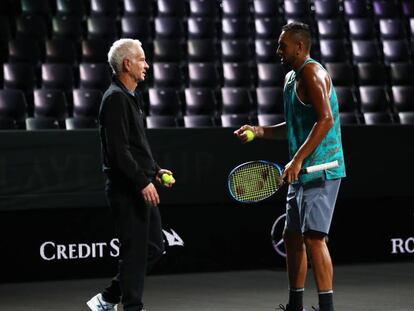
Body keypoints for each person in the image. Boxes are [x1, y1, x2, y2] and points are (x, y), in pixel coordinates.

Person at [234, 22, 345, 311]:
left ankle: (327, 307)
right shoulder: (289, 80)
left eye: (282, 45)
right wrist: (259, 131)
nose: (277, 50)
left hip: (322, 169)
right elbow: (295, 127)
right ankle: (295, 304)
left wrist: (297, 160)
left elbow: (325, 120)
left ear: (299, 46)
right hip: (299, 172)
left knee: (314, 237)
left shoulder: (312, 72)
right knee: (291, 236)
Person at [87, 38, 175, 311]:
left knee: (154, 248)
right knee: (134, 253)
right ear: (127, 64)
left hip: (139, 184)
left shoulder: (129, 97)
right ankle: (131, 306)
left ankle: (107, 298)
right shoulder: (114, 99)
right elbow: (118, 151)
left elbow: (136, 147)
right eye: (142, 59)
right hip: (127, 190)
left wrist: (155, 171)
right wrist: (142, 182)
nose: (146, 65)